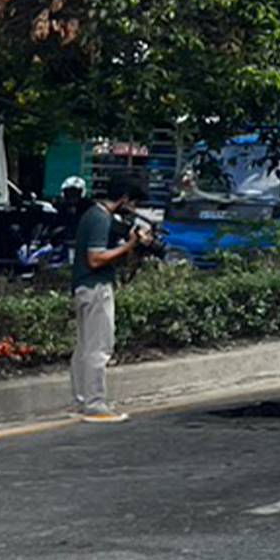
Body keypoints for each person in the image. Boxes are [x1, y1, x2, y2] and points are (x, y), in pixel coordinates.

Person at [71, 177, 153, 423]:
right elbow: (95, 258)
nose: (134, 209)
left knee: (84, 347)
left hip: (84, 287)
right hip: (96, 288)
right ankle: (95, 404)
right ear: (124, 198)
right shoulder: (100, 218)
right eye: (133, 202)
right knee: (99, 347)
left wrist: (131, 248)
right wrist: (129, 244)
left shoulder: (92, 215)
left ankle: (82, 401)